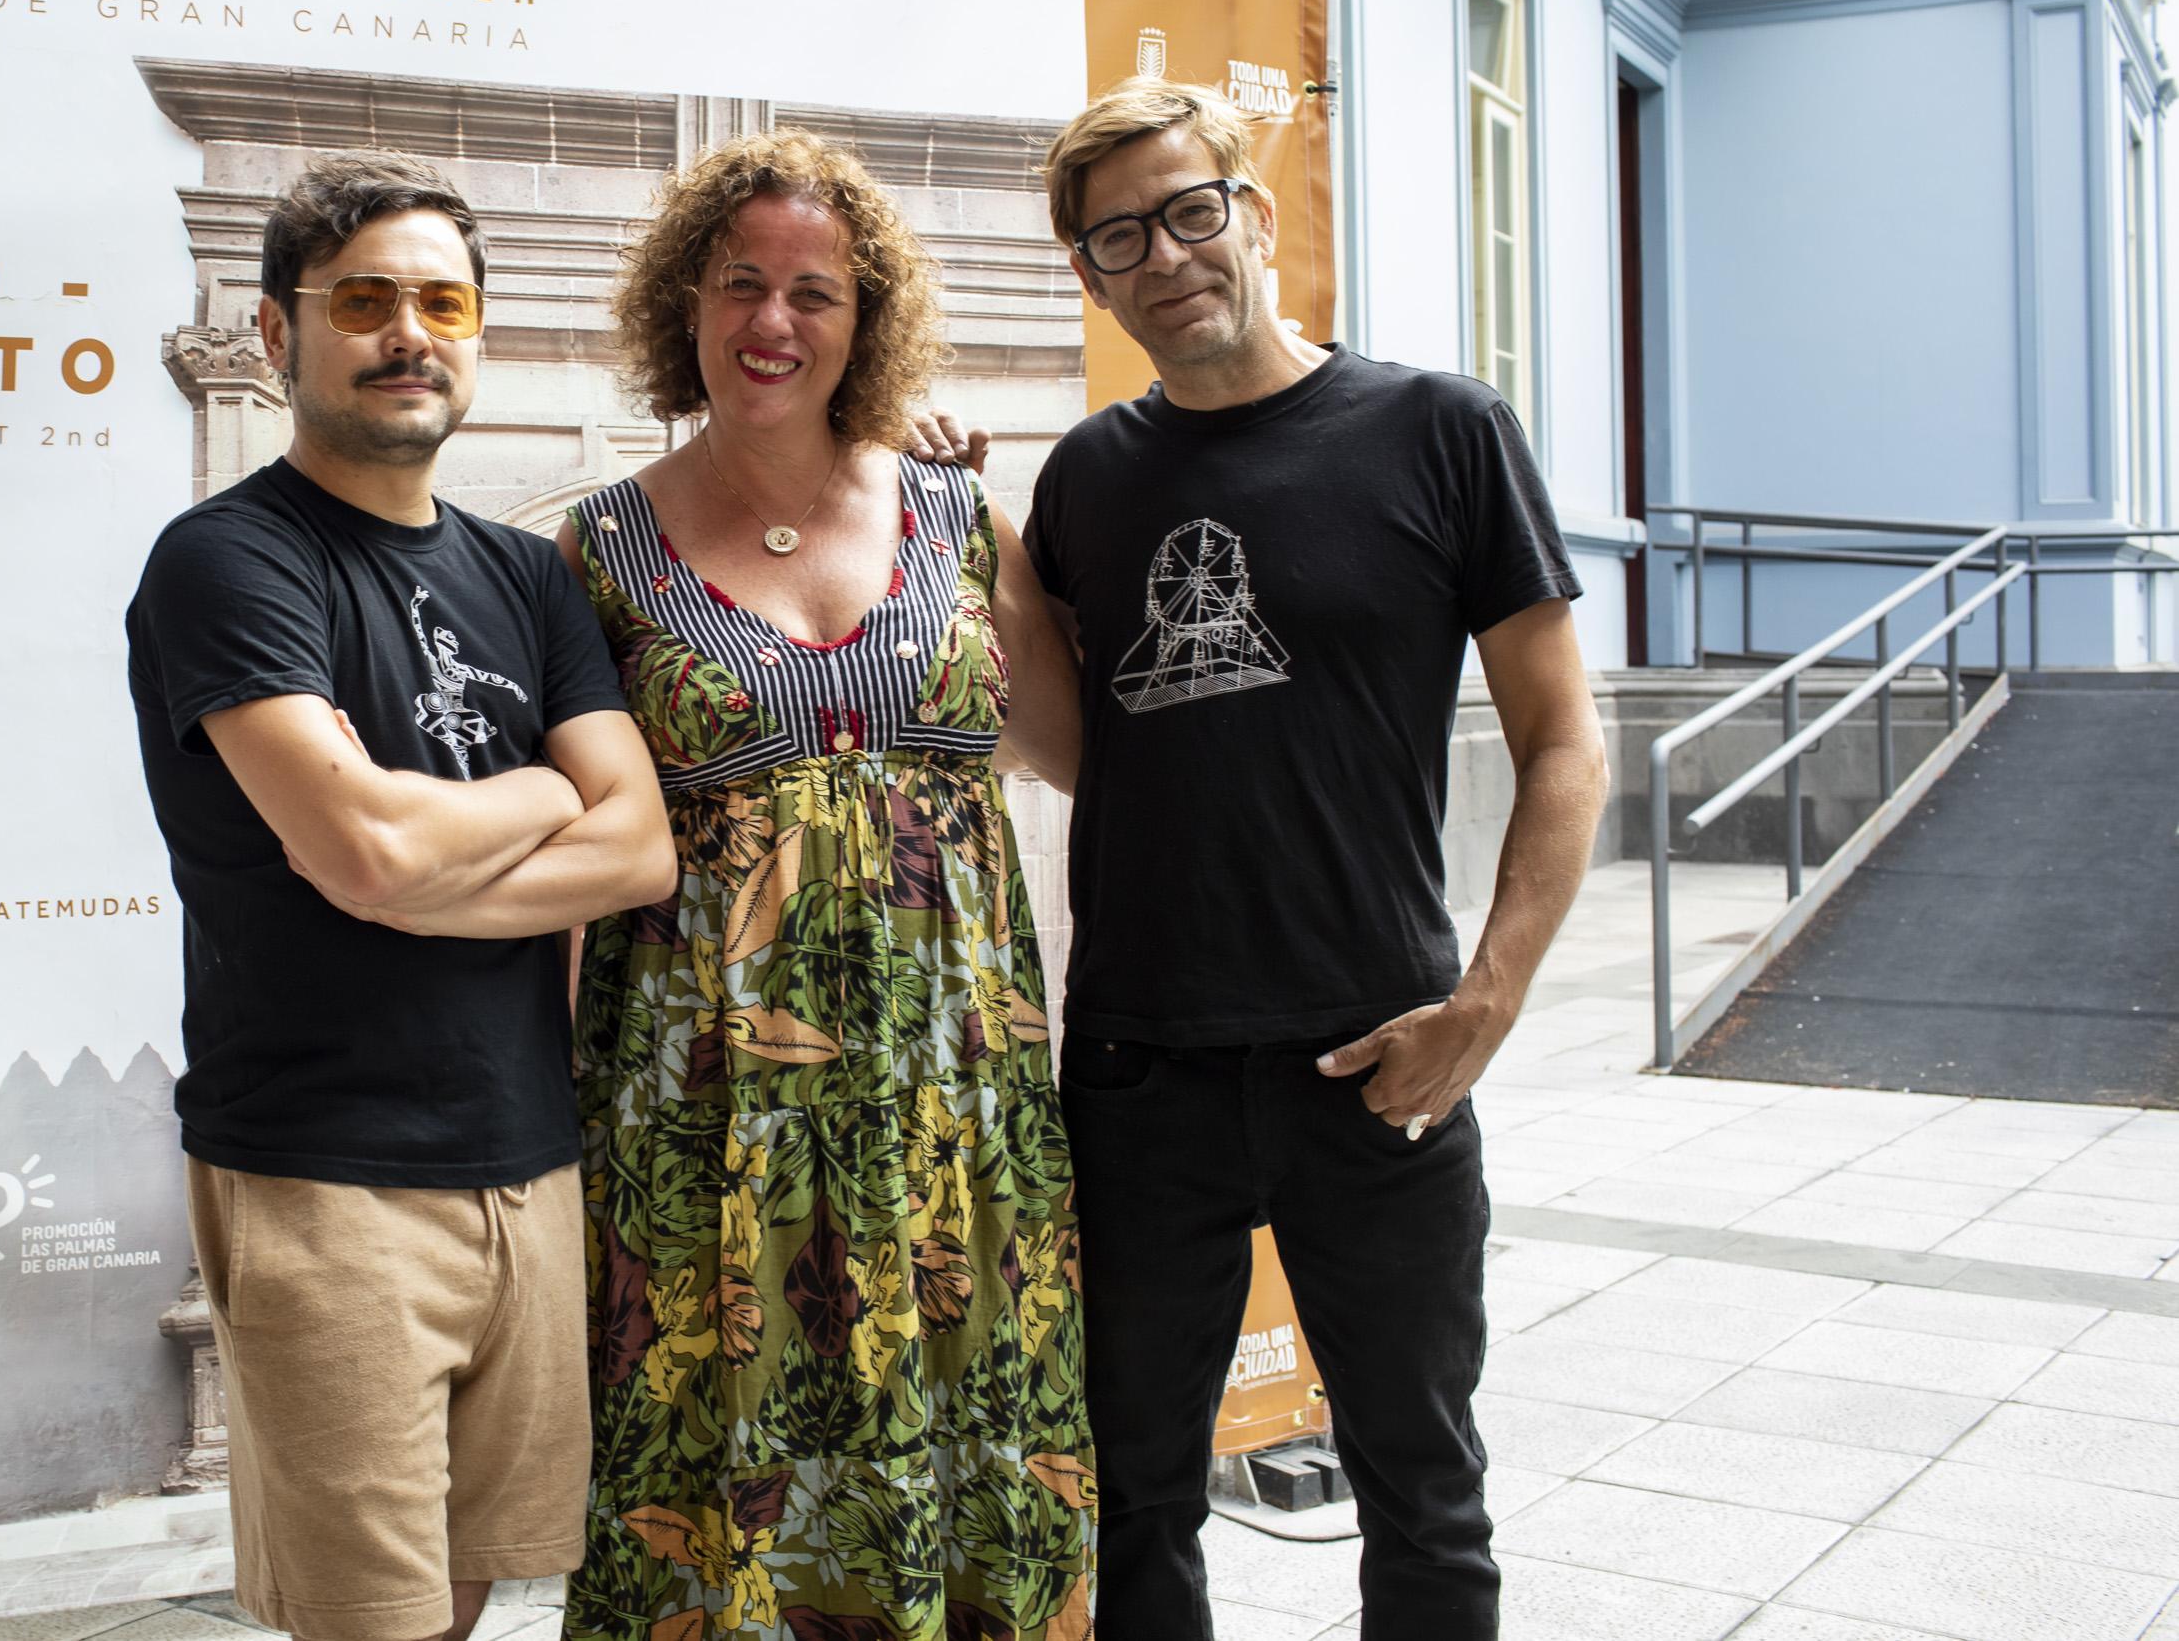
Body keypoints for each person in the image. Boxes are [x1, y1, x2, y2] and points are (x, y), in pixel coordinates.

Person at [1022, 80, 1609, 1636]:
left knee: (1422, 1491)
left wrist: (1484, 1005)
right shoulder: (1086, 479)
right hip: (1141, 1070)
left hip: (1378, 1055)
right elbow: (1096, 747)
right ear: (1093, 276)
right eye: (1115, 241)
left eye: (1189, 211)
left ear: (1256, 213)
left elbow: (1564, 739)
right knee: (1133, 1489)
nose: (1163, 258)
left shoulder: (1440, 431)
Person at [125, 150, 677, 1641]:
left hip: (529, 1154)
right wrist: (543, 790)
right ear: (274, 336)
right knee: (369, 1616)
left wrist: (423, 856)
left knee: (475, 1577)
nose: (406, 332)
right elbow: (363, 852)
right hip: (324, 1169)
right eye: (362, 300)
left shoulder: (529, 575)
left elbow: (641, 852)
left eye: (442, 301)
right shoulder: (228, 561)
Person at [558, 131, 1097, 1638]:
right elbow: (574, 845)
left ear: (869, 327)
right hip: (714, 1119)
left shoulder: (958, 524)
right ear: (687, 305)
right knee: (728, 1470)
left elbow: (1067, 748)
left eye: (817, 292)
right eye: (741, 284)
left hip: (957, 1102)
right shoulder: (598, 554)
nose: (773, 322)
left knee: (977, 1436)